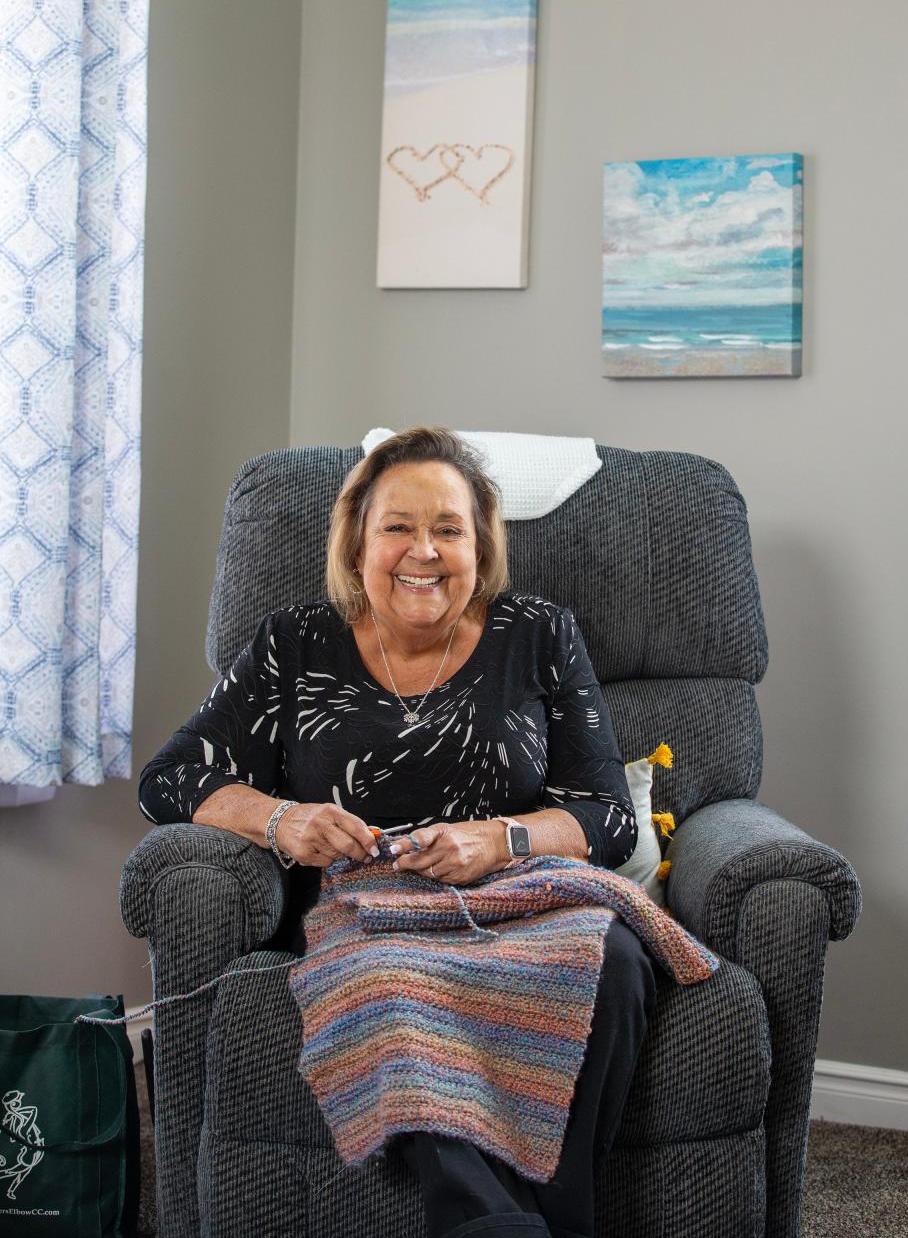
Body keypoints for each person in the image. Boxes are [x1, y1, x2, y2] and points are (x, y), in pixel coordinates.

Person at [138, 425, 657, 1238]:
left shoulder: (541, 634)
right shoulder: (292, 644)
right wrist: (281, 818)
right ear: (356, 544)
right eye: (398, 527)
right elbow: (170, 778)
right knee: (388, 989)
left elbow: (608, 817)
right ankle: (491, 1226)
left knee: (615, 958)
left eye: (448, 529)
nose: (424, 551)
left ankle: (554, 1222)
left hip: (524, 896)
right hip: (372, 916)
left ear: (480, 546)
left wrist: (499, 839)